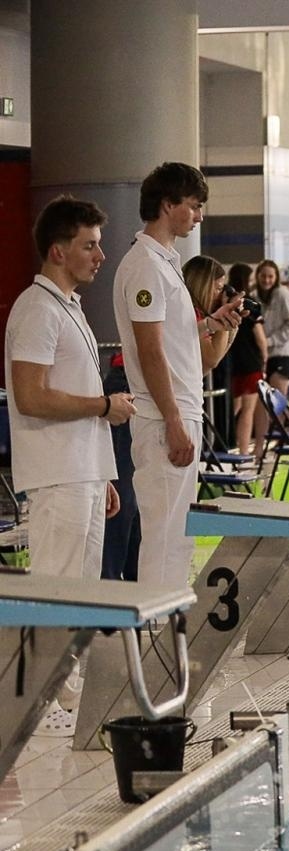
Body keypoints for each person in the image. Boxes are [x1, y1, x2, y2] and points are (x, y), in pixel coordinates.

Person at [4, 196, 136, 734]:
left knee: (81, 590)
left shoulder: (70, 306)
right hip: (56, 475)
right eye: (90, 245)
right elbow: (32, 396)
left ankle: (65, 692)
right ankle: (32, 705)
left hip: (82, 470)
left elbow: (75, 390)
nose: (100, 255)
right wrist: (105, 408)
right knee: (53, 590)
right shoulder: (35, 310)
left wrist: (103, 469)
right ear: (59, 250)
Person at [114, 162, 244, 592]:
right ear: (167, 205)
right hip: (162, 416)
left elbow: (170, 339)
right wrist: (172, 419)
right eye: (193, 206)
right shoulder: (146, 266)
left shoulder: (166, 263)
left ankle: (166, 624)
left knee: (178, 535)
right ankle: (154, 633)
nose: (199, 216)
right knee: (164, 535)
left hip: (178, 410)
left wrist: (210, 325)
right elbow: (149, 352)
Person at [223, 261, 268, 457]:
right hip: (251, 362)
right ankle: (243, 450)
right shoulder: (251, 306)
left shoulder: (227, 304)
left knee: (235, 406)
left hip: (232, 361)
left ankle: (223, 440)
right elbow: (260, 338)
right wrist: (265, 358)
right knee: (248, 410)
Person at [257, 259, 289, 399]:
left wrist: (269, 341)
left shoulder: (282, 294)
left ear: (276, 277)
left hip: (282, 355)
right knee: (266, 407)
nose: (266, 280)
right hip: (264, 357)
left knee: (279, 406)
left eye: (270, 276)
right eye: (263, 276)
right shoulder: (256, 296)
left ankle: (285, 422)